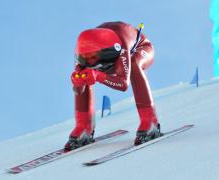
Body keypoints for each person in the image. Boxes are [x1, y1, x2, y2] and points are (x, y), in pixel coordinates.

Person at [64, 21, 161, 151]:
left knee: (134, 64)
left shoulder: (121, 47)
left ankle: (150, 121)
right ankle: (83, 127)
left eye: (93, 57)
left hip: (141, 48)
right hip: (109, 50)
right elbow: (79, 88)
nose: (89, 61)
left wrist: (98, 76)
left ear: (106, 52)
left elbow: (123, 84)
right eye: (85, 57)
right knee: (83, 75)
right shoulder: (84, 54)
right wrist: (78, 82)